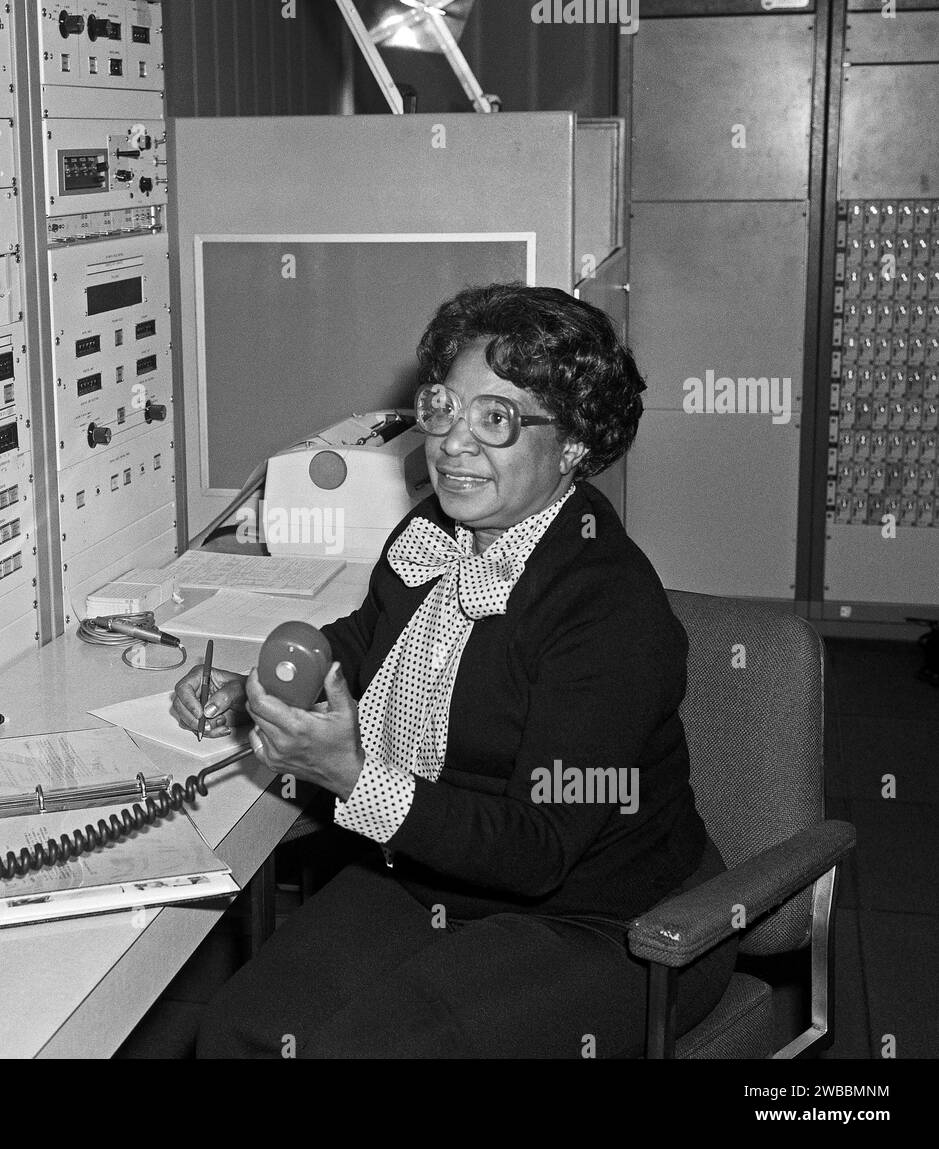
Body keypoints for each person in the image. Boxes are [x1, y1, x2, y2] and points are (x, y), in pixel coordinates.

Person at [170, 283, 737, 1058]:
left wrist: (349, 774)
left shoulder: (608, 612)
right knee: (237, 1033)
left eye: (496, 418)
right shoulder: (435, 530)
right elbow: (363, 639)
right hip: (437, 875)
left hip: (603, 919)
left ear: (572, 445)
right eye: (444, 406)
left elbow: (539, 846)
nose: (453, 442)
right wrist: (262, 690)